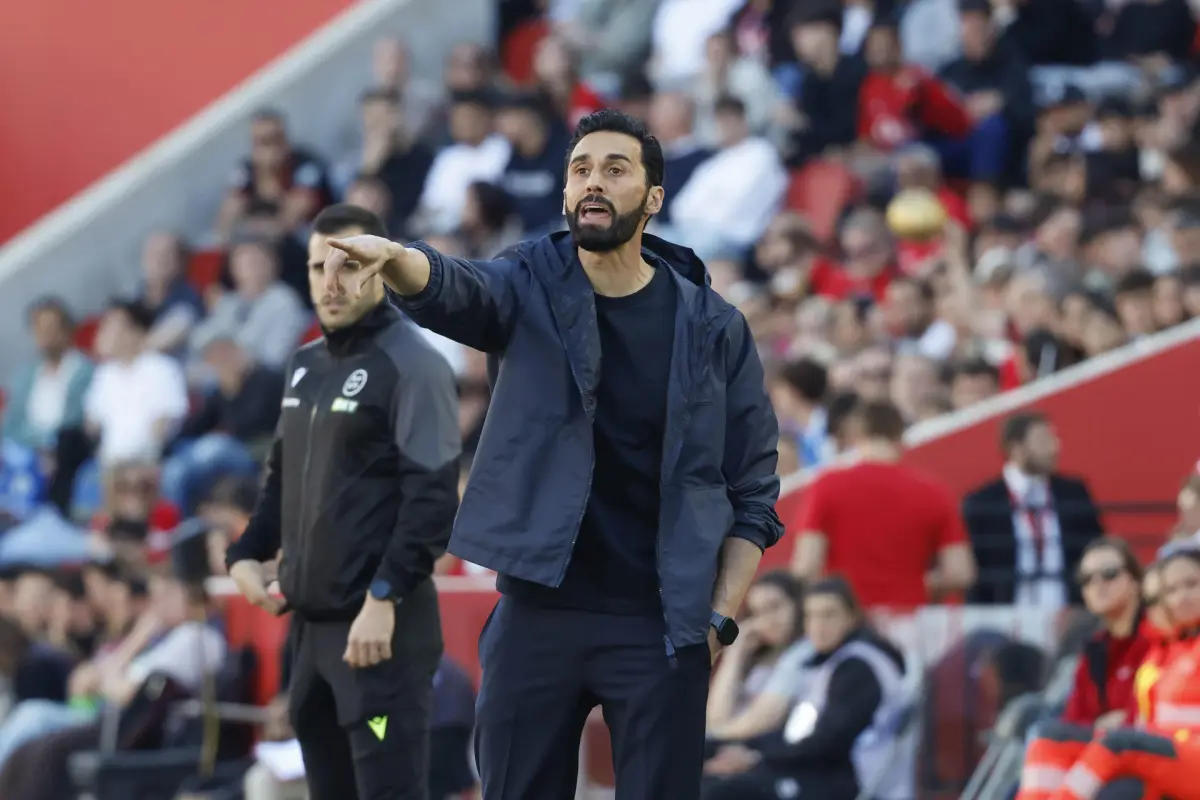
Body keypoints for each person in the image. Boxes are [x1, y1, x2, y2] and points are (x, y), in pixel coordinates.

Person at [321, 109, 783, 799]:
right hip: (537, 614)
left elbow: (752, 490)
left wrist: (719, 616)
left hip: (661, 621)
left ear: (654, 198)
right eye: (580, 169)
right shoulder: (528, 279)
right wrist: (399, 260)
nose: (593, 182)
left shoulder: (714, 326)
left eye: (615, 169)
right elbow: (460, 289)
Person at [225, 203, 461, 800]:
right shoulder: (303, 367)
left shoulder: (416, 364)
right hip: (309, 637)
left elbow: (433, 499)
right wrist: (245, 554)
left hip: (380, 635)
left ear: (379, 267)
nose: (329, 283)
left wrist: (384, 596)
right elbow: (281, 482)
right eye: (314, 268)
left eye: (347, 265)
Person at [701, 577, 911, 800]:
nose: (818, 625)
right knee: (705, 756)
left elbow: (828, 743)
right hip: (812, 765)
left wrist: (756, 757)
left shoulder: (859, 667)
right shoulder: (828, 662)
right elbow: (796, 733)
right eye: (811, 616)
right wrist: (742, 748)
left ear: (851, 617)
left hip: (848, 779)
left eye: (828, 615)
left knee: (718, 790)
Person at [1030, 548, 1200, 800]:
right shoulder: (1166, 651)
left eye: (1192, 584)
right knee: (1051, 738)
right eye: (1171, 591)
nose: (1181, 597)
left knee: (1118, 745)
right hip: (1161, 751)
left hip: (1184, 756)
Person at [792, 399, 976, 608]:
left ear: (855, 435)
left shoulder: (826, 486)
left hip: (846, 617)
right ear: (900, 436)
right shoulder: (934, 492)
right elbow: (960, 572)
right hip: (908, 617)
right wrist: (917, 586)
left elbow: (806, 566)